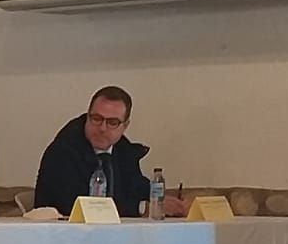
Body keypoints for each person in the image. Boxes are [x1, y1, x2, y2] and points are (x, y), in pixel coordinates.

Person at [34, 85, 188, 218]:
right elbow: (82, 206)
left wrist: (165, 200)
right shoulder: (63, 151)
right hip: (63, 234)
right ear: (87, 116)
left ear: (125, 126)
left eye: (112, 122)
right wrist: (142, 208)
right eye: (96, 119)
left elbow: (135, 185)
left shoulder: (122, 149)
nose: (102, 128)